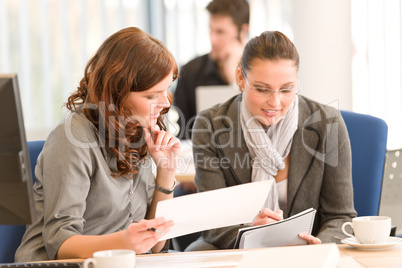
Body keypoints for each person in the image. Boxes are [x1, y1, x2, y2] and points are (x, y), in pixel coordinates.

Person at [15, 27, 180, 261]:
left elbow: (156, 245)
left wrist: (166, 172)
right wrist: (124, 242)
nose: (164, 104)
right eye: (152, 95)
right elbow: (59, 242)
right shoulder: (72, 137)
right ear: (118, 93)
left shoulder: (138, 131)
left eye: (166, 91)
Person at [186, 31, 357, 251]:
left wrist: (317, 246)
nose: (275, 102)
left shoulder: (327, 123)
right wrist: (250, 231)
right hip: (238, 244)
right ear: (241, 78)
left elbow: (341, 216)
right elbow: (213, 223)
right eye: (261, 89)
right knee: (196, 253)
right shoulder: (210, 125)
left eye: (286, 89)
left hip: (308, 247)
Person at [173, 0, 250, 139]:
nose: (212, 39)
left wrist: (233, 80)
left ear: (243, 32)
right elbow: (183, 135)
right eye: (210, 29)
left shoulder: (257, 73)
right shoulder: (190, 72)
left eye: (220, 32)